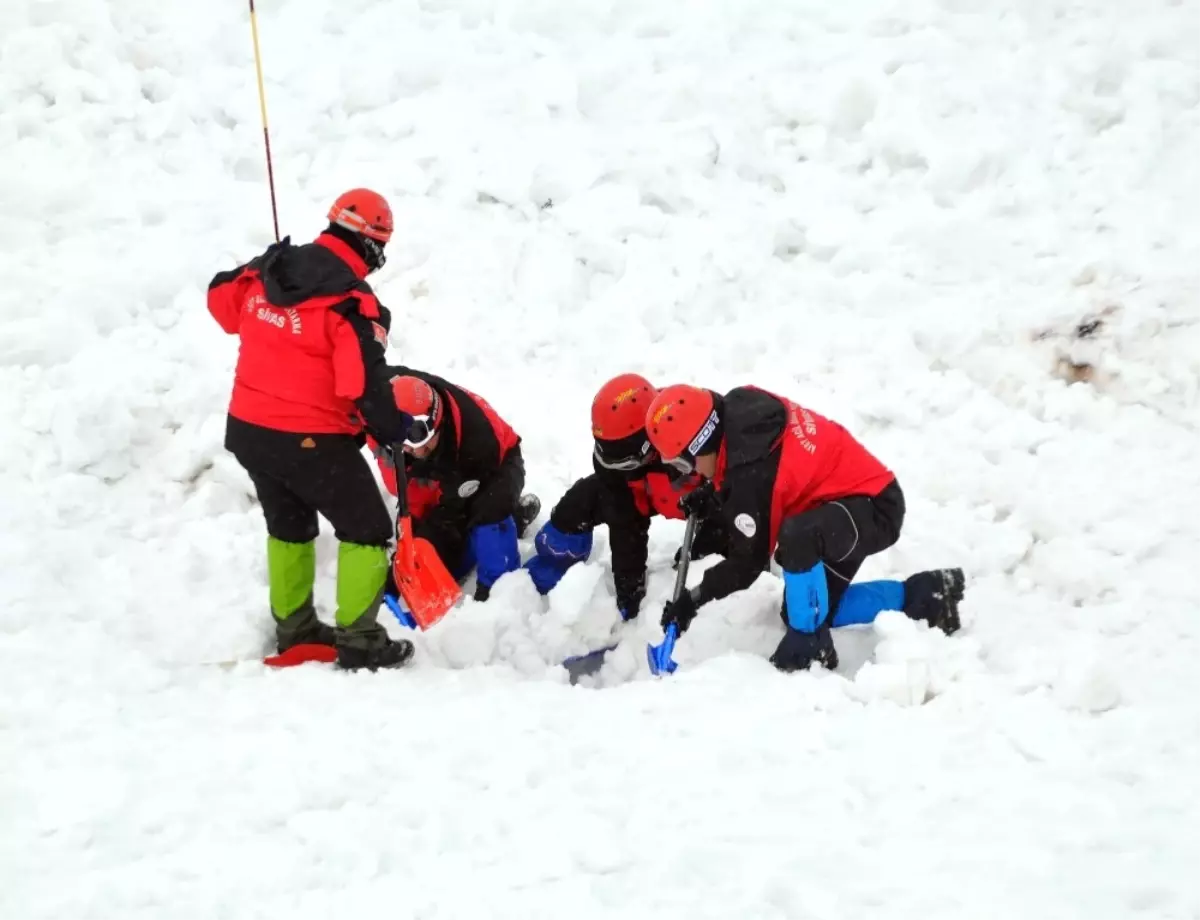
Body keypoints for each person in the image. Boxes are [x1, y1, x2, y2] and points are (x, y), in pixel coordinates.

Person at [207, 188, 418, 671]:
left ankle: (295, 628)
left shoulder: (269, 272)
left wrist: (262, 263)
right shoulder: (351, 302)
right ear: (371, 245)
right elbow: (361, 384)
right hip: (310, 439)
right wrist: (390, 429)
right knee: (366, 529)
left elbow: (221, 302)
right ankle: (361, 641)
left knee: (290, 525)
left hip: (250, 433)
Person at [644, 383, 965, 673]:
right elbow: (746, 481)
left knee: (797, 540)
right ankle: (926, 596)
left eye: (684, 465)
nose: (686, 475)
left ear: (702, 442)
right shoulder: (740, 415)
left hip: (874, 507)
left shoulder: (752, 471)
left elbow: (748, 562)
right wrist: (714, 496)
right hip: (838, 509)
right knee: (807, 609)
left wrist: (694, 598)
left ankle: (811, 646)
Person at [522, 374, 703, 621]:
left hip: (702, 504)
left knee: (708, 560)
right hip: (645, 492)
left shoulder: (693, 434)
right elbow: (625, 525)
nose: (616, 466)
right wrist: (629, 592)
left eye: (624, 460)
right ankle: (552, 565)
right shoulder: (617, 466)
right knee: (578, 503)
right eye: (609, 458)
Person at [367, 370, 540, 601]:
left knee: (486, 515)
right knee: (425, 559)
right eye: (401, 446)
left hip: (496, 465)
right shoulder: (381, 404)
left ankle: (496, 587)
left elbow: (452, 511)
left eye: (421, 445)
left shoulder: (476, 444)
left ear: (436, 424)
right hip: (441, 475)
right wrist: (412, 544)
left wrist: (435, 538)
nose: (412, 451)